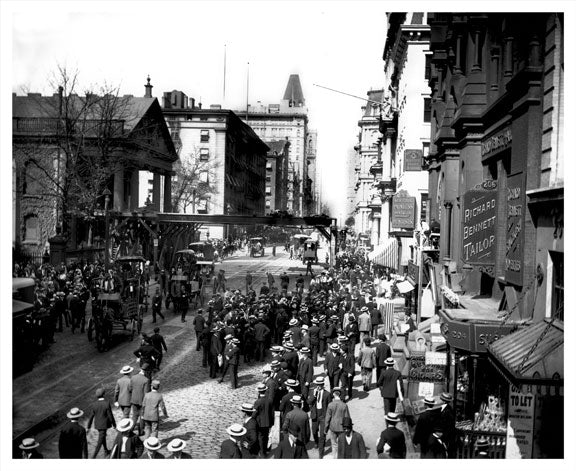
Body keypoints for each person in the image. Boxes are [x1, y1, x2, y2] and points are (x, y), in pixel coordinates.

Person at [87, 388, 116, 458]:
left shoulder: (94, 404)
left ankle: (106, 450)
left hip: (97, 425)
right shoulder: (106, 403)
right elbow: (110, 415)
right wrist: (114, 424)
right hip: (104, 425)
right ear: (104, 394)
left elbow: (91, 416)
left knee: (102, 437)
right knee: (100, 441)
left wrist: (88, 426)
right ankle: (94, 456)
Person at [308, 376, 331, 458]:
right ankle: (316, 442)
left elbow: (329, 407)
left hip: (323, 416)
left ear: (323, 385)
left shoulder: (327, 394)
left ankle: (321, 452)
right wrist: (314, 395)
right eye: (317, 384)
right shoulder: (312, 392)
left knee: (322, 435)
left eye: (320, 384)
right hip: (315, 414)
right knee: (314, 431)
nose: (318, 386)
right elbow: (309, 402)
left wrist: (328, 417)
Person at [324, 387, 350, 459]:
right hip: (342, 428)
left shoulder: (330, 405)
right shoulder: (344, 405)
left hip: (333, 427)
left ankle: (335, 458)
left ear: (333, 394)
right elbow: (347, 418)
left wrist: (325, 429)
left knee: (334, 444)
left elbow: (327, 418)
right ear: (340, 394)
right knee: (342, 444)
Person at [252, 383, 273, 457]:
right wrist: (272, 422)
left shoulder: (257, 402)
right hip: (267, 422)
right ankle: (265, 450)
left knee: (260, 438)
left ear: (259, 392)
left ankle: (262, 452)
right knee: (266, 436)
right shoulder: (269, 400)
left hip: (260, 423)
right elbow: (271, 412)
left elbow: (254, 413)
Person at [130, 366, 151, 436]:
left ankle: (130, 429)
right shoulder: (146, 380)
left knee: (134, 416)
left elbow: (130, 388)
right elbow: (146, 393)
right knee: (142, 416)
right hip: (141, 401)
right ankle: (141, 431)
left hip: (133, 400)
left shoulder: (133, 377)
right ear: (146, 371)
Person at [438, 392, 457, 458]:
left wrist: (443, 435)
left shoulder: (448, 411)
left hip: (445, 437)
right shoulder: (444, 409)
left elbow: (449, 426)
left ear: (443, 401)